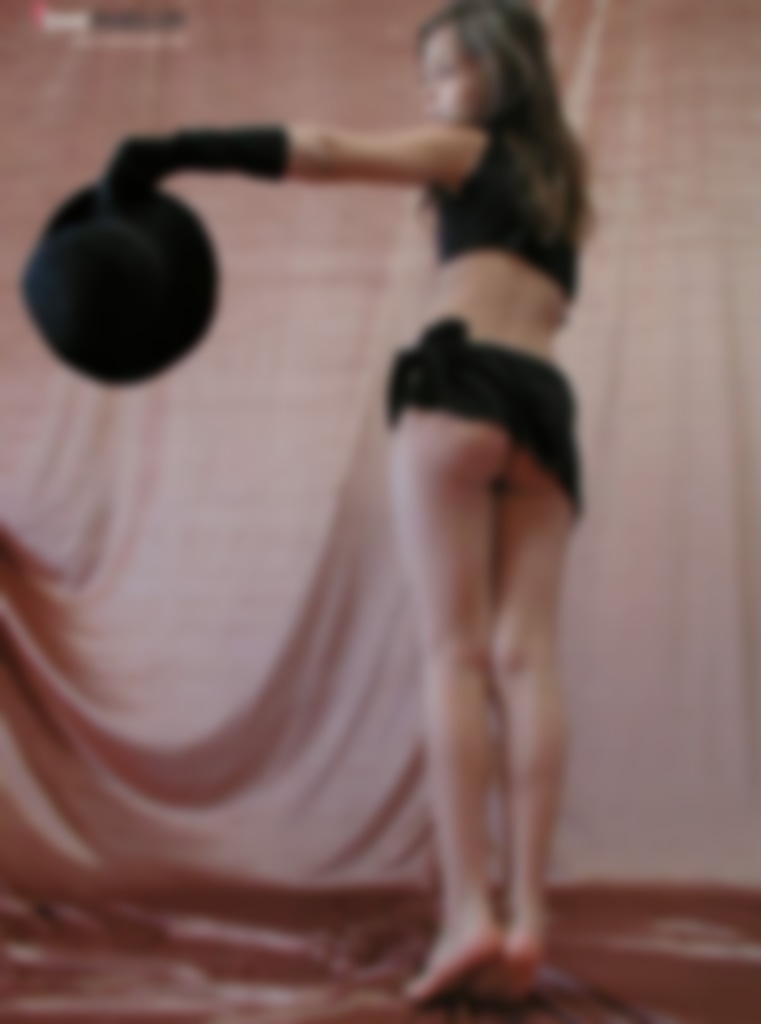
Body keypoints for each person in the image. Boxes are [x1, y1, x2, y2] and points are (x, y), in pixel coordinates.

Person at [99, 0, 594, 1007]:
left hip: (459, 388)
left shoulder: (466, 151)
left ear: (501, 73)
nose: (430, 92)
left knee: (452, 655)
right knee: (526, 658)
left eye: (445, 71)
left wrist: (175, 150)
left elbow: (325, 151)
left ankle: (469, 912)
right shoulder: (563, 194)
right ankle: (530, 917)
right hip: (544, 409)